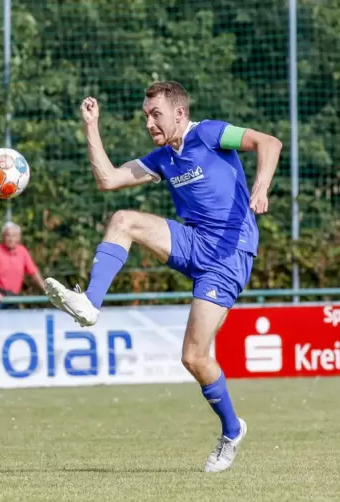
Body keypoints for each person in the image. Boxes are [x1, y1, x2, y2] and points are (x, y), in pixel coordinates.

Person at [44, 81, 282, 473]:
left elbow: (269, 142)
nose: (150, 122)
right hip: (191, 241)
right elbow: (108, 180)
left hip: (227, 254)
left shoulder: (209, 133)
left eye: (156, 115)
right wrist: (91, 126)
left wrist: (261, 187)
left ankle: (232, 429)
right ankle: (90, 302)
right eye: (146, 116)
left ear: (179, 114)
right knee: (123, 220)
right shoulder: (163, 158)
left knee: (193, 357)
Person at [0, 221, 45, 309]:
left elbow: (33, 272)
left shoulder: (22, 251)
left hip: (13, 297)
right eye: (8, 235)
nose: (11, 239)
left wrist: (46, 290)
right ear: (3, 237)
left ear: (18, 238)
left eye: (14, 236)